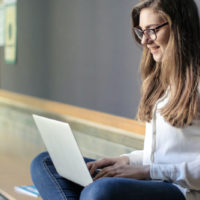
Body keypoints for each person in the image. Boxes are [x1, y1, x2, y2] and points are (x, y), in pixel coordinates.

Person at [31, 0, 200, 199]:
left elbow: (162, 166)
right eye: (141, 31)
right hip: (154, 180)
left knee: (100, 191)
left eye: (152, 30)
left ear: (179, 28)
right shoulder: (160, 83)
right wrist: (125, 161)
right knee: (45, 163)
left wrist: (147, 171)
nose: (145, 41)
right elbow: (160, 156)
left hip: (183, 190)